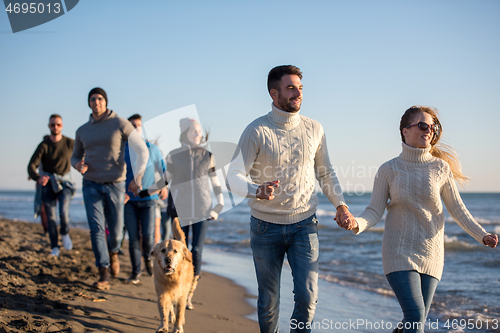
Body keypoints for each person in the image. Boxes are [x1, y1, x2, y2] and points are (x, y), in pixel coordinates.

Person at [339, 105, 498, 333]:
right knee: (415, 316)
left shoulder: (441, 168)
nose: (429, 130)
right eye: (423, 125)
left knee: (416, 320)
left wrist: (482, 235)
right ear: (405, 131)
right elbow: (374, 210)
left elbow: (458, 210)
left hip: (431, 253)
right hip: (398, 251)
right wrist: (356, 223)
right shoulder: (389, 169)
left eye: (433, 127)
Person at [225, 65, 354, 333]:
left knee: (307, 295)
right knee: (268, 299)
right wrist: (255, 189)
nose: (298, 93)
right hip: (264, 226)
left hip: (304, 224)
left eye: (300, 87)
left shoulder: (315, 128)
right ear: (274, 93)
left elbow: (325, 172)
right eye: (290, 88)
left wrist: (341, 205)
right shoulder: (257, 130)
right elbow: (233, 176)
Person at [140, 117, 224, 309]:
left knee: (197, 250)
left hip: (203, 209)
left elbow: (216, 183)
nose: (197, 133)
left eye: (199, 130)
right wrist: (145, 191)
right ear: (185, 133)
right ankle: (175, 287)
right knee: (180, 251)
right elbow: (164, 181)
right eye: (193, 130)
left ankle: (188, 293)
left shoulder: (208, 155)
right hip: (181, 209)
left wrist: (218, 207)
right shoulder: (173, 155)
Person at [72, 88, 149, 290]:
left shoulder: (120, 123)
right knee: (96, 228)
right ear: (89, 103)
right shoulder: (82, 130)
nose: (96, 102)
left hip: (116, 184)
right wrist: (77, 165)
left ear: (105, 101)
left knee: (115, 232)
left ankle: (113, 251)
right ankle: (103, 272)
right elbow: (74, 156)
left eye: (99, 98)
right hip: (90, 184)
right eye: (92, 99)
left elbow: (142, 149)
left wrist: (139, 176)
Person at [124, 114, 166, 284]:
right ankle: (135, 273)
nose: (135, 128)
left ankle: (148, 258)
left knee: (148, 236)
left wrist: (162, 187)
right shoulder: (123, 149)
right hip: (128, 201)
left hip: (149, 200)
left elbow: (165, 173)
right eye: (131, 125)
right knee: (133, 237)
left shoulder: (153, 149)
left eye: (138, 125)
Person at [28, 114, 75, 257]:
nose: (55, 127)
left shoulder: (69, 143)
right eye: (53, 125)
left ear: (62, 126)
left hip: (65, 184)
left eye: (58, 124)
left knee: (64, 213)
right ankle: (55, 246)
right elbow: (31, 165)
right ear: (49, 126)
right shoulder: (44, 145)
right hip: (48, 184)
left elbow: (84, 154)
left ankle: (65, 232)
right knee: (51, 218)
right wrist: (38, 177)